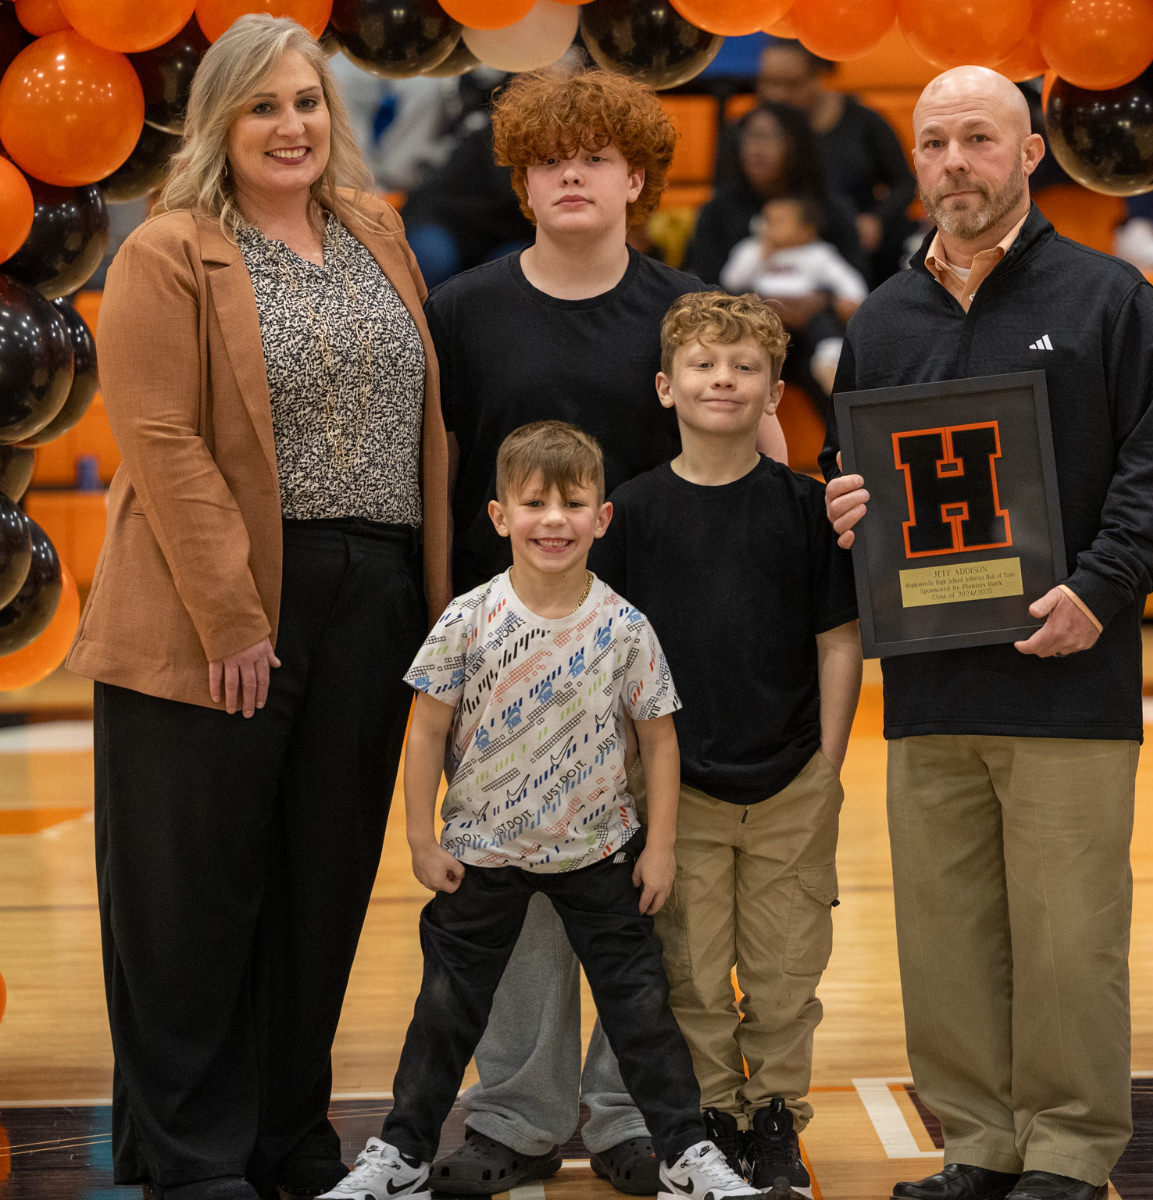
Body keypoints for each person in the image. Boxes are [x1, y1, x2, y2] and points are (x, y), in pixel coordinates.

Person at [66, 15, 450, 1200]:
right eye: (264, 106)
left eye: (307, 102)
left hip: (375, 596)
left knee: (320, 884)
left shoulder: (376, 229)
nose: (292, 126)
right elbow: (164, 438)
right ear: (218, 124)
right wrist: (235, 616)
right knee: (192, 897)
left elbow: (427, 416)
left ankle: (290, 1139)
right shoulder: (171, 249)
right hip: (217, 605)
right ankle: (193, 1157)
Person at [822, 66, 1153, 1200]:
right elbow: (860, 477)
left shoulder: (1107, 298)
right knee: (944, 942)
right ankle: (978, 1144)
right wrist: (844, 508)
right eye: (934, 142)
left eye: (978, 139)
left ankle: (1072, 1152)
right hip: (931, 689)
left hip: (1067, 681)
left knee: (1070, 939)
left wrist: (1097, 590)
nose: (952, 164)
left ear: (1030, 154)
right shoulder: (881, 320)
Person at [420, 67, 785, 1198]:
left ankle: (629, 1111)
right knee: (520, 890)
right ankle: (521, 1113)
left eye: (594, 157)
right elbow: (437, 485)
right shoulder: (464, 312)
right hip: (508, 660)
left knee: (636, 893)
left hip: (645, 657)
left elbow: (756, 456)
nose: (570, 174)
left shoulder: (683, 311)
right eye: (546, 159)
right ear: (522, 182)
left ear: (637, 175)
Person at [316, 421, 767, 1200]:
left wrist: (658, 848)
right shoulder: (466, 619)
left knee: (641, 1015)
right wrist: (421, 839)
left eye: (573, 503)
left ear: (602, 517)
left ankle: (688, 1155)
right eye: (533, 503)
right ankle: (400, 1157)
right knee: (445, 1017)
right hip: (482, 856)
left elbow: (659, 744)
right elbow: (423, 733)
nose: (553, 520)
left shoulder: (626, 627)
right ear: (498, 516)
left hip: (601, 855)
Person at [589, 291, 861, 1195]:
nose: (723, 380)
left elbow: (837, 641)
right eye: (704, 365)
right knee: (694, 972)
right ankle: (709, 1122)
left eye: (745, 367)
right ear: (667, 387)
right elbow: (612, 659)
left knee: (786, 970)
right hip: (680, 792)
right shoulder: (629, 514)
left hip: (789, 782)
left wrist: (826, 764)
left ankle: (775, 1116)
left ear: (776, 391)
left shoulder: (806, 510)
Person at [755, 39, 917, 284]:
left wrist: (877, 219)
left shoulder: (863, 121)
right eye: (768, 82)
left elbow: (903, 183)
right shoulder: (751, 131)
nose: (777, 94)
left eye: (791, 84)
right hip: (780, 246)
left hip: (856, 246)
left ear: (818, 76)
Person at [683, 100, 865, 288]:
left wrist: (819, 303)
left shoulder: (830, 209)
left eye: (770, 136)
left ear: (797, 144)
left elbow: (858, 285)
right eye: (751, 136)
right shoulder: (717, 210)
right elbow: (701, 284)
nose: (757, 149)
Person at [720, 194, 867, 398]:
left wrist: (851, 298)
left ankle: (829, 360)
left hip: (807, 315)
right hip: (767, 313)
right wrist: (761, 253)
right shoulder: (752, 249)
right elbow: (731, 280)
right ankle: (749, 365)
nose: (768, 226)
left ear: (805, 231)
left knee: (822, 323)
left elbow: (847, 279)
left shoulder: (817, 253)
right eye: (766, 219)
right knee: (750, 323)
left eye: (778, 221)